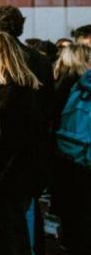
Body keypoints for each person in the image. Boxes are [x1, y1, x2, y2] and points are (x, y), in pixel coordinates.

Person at [0, 32, 46, 255]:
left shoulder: (7, 93)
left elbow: (4, 142)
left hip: (10, 177)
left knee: (9, 233)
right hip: (24, 173)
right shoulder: (24, 87)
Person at [50, 43, 91, 253]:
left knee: (73, 212)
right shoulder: (84, 85)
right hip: (86, 155)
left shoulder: (60, 85)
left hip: (65, 156)